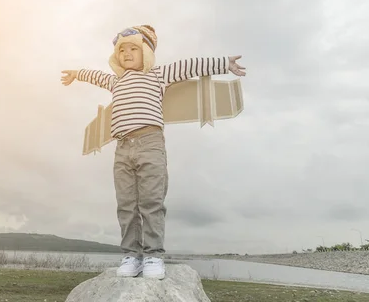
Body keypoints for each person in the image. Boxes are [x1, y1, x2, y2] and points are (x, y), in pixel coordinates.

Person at [61, 25, 246, 280]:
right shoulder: (116, 81)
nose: (126, 53)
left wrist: (224, 63)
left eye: (133, 48)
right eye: (122, 50)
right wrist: (76, 73)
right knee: (126, 204)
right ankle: (131, 256)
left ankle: (153, 256)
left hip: (150, 143)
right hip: (122, 148)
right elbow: (94, 75)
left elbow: (190, 65)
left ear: (146, 52)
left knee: (151, 203)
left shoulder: (158, 75)